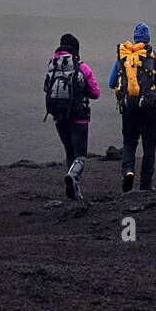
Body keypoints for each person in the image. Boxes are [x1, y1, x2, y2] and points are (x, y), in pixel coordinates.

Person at [108, 23, 156, 192]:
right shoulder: (154, 56)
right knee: (149, 146)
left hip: (129, 107)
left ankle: (128, 172)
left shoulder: (123, 58)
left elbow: (111, 83)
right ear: (148, 39)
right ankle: (145, 185)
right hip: (149, 108)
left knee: (129, 142)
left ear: (135, 38)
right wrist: (154, 76)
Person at [43, 33, 100, 201]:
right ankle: (73, 176)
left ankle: (74, 189)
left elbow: (47, 88)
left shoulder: (52, 65)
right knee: (80, 155)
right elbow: (95, 93)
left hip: (58, 117)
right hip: (79, 117)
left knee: (69, 151)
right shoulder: (81, 67)